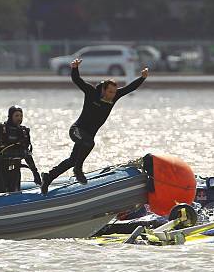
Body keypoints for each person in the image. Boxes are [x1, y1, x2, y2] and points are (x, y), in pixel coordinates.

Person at [41, 58, 148, 194]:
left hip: (88, 135)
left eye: (114, 92)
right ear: (103, 89)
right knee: (89, 143)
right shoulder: (91, 93)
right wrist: (74, 68)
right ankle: (78, 170)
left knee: (72, 160)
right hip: (77, 130)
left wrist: (142, 78)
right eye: (109, 92)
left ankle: (48, 177)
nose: (112, 95)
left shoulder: (114, 97)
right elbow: (77, 80)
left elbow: (129, 88)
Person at [0, 106, 41, 193]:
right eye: (16, 116)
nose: (19, 118)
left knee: (15, 197)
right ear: (10, 116)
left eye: (21, 116)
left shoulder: (24, 132)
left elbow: (27, 154)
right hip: (0, 172)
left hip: (15, 173)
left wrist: (35, 172)